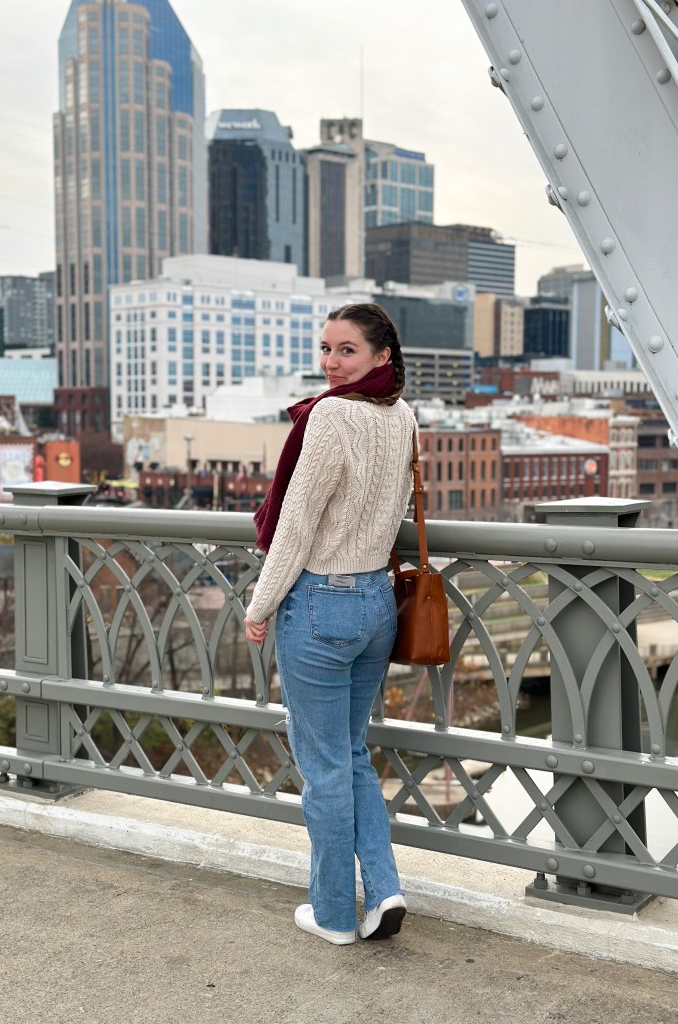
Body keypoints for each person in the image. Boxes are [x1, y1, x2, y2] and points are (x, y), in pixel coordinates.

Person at [244, 302, 416, 946]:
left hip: (320, 603)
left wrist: (260, 605)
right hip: (377, 604)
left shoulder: (330, 416)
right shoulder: (402, 416)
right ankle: (386, 889)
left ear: (381, 356)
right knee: (351, 755)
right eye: (325, 348)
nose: (331, 363)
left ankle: (336, 914)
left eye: (347, 350)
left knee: (323, 770)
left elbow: (296, 525)